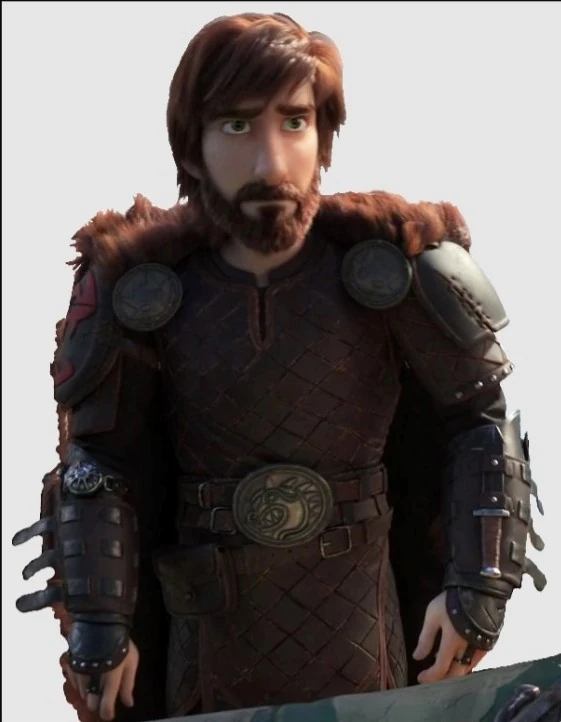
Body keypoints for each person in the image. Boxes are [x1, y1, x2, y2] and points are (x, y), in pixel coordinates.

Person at [12, 11, 547, 722]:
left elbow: (477, 425)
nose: (269, 162)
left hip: (361, 616)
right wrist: (103, 622)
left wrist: (474, 586)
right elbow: (99, 462)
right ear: (193, 145)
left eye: (293, 122)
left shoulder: (399, 272)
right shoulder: (141, 290)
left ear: (323, 135)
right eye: (237, 125)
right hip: (208, 627)